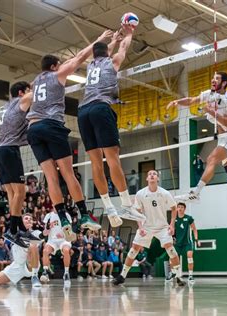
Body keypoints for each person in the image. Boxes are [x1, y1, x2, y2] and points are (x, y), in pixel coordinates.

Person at [26, 32, 112, 239]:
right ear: (55, 66)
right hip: (51, 125)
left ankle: (63, 217)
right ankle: (83, 215)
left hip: (33, 128)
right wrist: (100, 39)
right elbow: (81, 56)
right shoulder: (57, 74)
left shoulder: (36, 81)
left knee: (50, 178)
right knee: (68, 173)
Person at [167, 72, 227, 231]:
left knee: (211, 158)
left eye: (217, 79)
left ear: (225, 83)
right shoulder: (209, 94)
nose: (213, 80)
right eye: (213, 78)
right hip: (224, 139)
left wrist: (211, 111)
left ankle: (196, 192)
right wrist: (177, 101)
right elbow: (192, 100)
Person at [77, 24, 145, 227]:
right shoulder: (112, 62)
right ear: (107, 53)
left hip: (83, 112)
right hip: (100, 108)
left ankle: (109, 210)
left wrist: (110, 40)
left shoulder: (90, 67)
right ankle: (126, 205)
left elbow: (100, 51)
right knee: (112, 158)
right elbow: (122, 48)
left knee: (96, 163)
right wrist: (128, 34)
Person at [113, 170, 185, 286]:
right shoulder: (140, 194)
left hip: (162, 227)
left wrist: (172, 225)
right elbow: (137, 211)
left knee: (170, 249)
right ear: (147, 179)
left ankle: (178, 277)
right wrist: (140, 227)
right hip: (146, 226)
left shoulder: (165, 193)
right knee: (134, 249)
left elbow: (173, 208)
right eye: (150, 174)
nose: (152, 175)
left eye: (154, 174)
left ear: (157, 179)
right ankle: (122, 276)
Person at [0, 81, 40, 248]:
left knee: (12, 193)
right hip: (9, 150)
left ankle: (19, 227)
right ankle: (12, 230)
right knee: (21, 192)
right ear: (21, 92)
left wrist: (30, 84)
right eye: (26, 91)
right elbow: (32, 94)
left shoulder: (8, 106)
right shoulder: (21, 100)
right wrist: (40, 82)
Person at [0, 213, 43, 288]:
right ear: (21, 222)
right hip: (17, 265)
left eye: (30, 219)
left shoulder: (36, 233)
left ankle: (35, 276)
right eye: (26, 218)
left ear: (32, 223)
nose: (29, 220)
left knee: (33, 246)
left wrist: (47, 230)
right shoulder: (14, 232)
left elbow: (43, 235)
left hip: (30, 264)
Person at [40, 210, 72, 287]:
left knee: (66, 250)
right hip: (52, 240)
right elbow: (45, 233)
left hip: (64, 240)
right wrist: (48, 228)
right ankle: (45, 272)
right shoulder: (48, 216)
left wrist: (64, 235)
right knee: (45, 251)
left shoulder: (66, 215)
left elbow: (70, 231)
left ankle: (66, 273)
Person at [173, 202, 200, 285]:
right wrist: (172, 238)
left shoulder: (189, 218)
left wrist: (196, 239)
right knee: (172, 258)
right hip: (177, 243)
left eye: (182, 207)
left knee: (189, 256)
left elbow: (194, 229)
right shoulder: (174, 219)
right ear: (177, 209)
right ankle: (173, 273)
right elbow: (171, 230)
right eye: (178, 207)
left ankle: (191, 275)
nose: (180, 208)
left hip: (187, 242)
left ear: (184, 209)